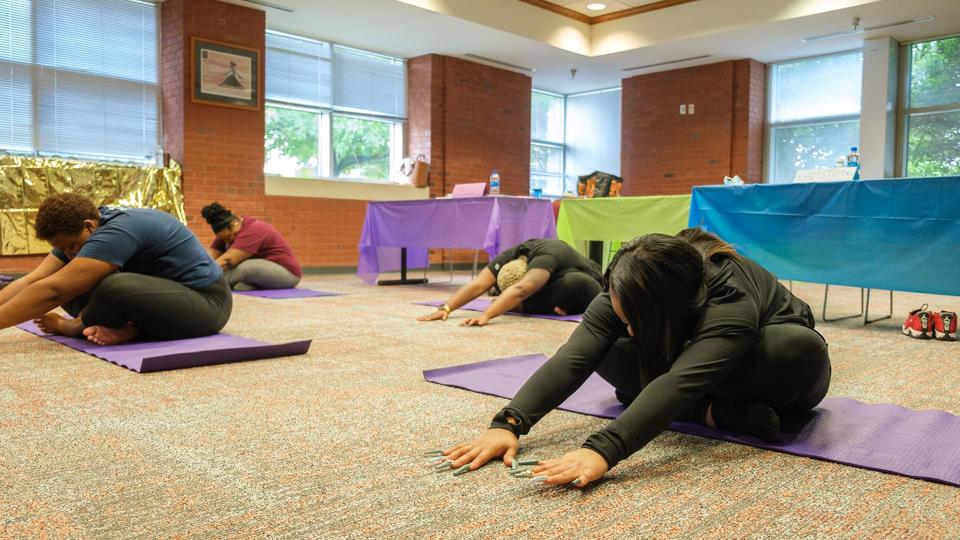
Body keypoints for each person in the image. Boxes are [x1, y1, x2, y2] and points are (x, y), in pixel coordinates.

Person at [438, 228, 831, 487]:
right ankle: (710, 412)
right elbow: (576, 355)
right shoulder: (630, 285)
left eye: (633, 321)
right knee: (605, 346)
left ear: (666, 309)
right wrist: (508, 423)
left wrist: (601, 449)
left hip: (763, 364)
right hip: (687, 364)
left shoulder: (728, 295)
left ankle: (690, 407)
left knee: (796, 349)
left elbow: (680, 381)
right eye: (622, 317)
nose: (627, 328)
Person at [0, 193, 232, 345]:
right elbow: (35, 279)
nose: (69, 253)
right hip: (157, 298)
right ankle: (131, 330)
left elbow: (55, 291)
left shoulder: (117, 231)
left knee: (113, 286)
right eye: (62, 249)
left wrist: (66, 323)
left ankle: (75, 327)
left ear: (89, 226)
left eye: (71, 246)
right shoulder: (85, 230)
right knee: (65, 280)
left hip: (208, 304)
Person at [418, 239, 603, 326]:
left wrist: (487, 315)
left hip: (588, 287)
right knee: (513, 295)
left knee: (574, 282)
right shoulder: (511, 255)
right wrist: (446, 308)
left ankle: (515, 304)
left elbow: (521, 289)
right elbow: (479, 284)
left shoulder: (545, 257)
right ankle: (518, 302)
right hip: (548, 290)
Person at [201, 202, 302, 291]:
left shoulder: (254, 229)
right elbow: (212, 255)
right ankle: (252, 284)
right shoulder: (226, 231)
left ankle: (210, 284)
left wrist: (201, 274)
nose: (226, 241)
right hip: (264, 270)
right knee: (236, 274)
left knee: (247, 267)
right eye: (223, 239)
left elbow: (227, 261)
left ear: (234, 225)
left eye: (228, 237)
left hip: (288, 273)